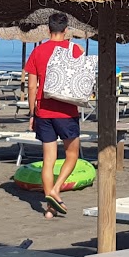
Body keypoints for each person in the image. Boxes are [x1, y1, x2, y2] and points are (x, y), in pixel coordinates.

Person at [23, 12, 82, 219]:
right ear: (66, 30)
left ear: (48, 30)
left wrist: (32, 113)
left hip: (43, 111)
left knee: (48, 160)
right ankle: (56, 190)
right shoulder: (75, 50)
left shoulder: (38, 51)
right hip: (66, 111)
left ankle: (49, 208)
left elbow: (32, 86)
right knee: (72, 155)